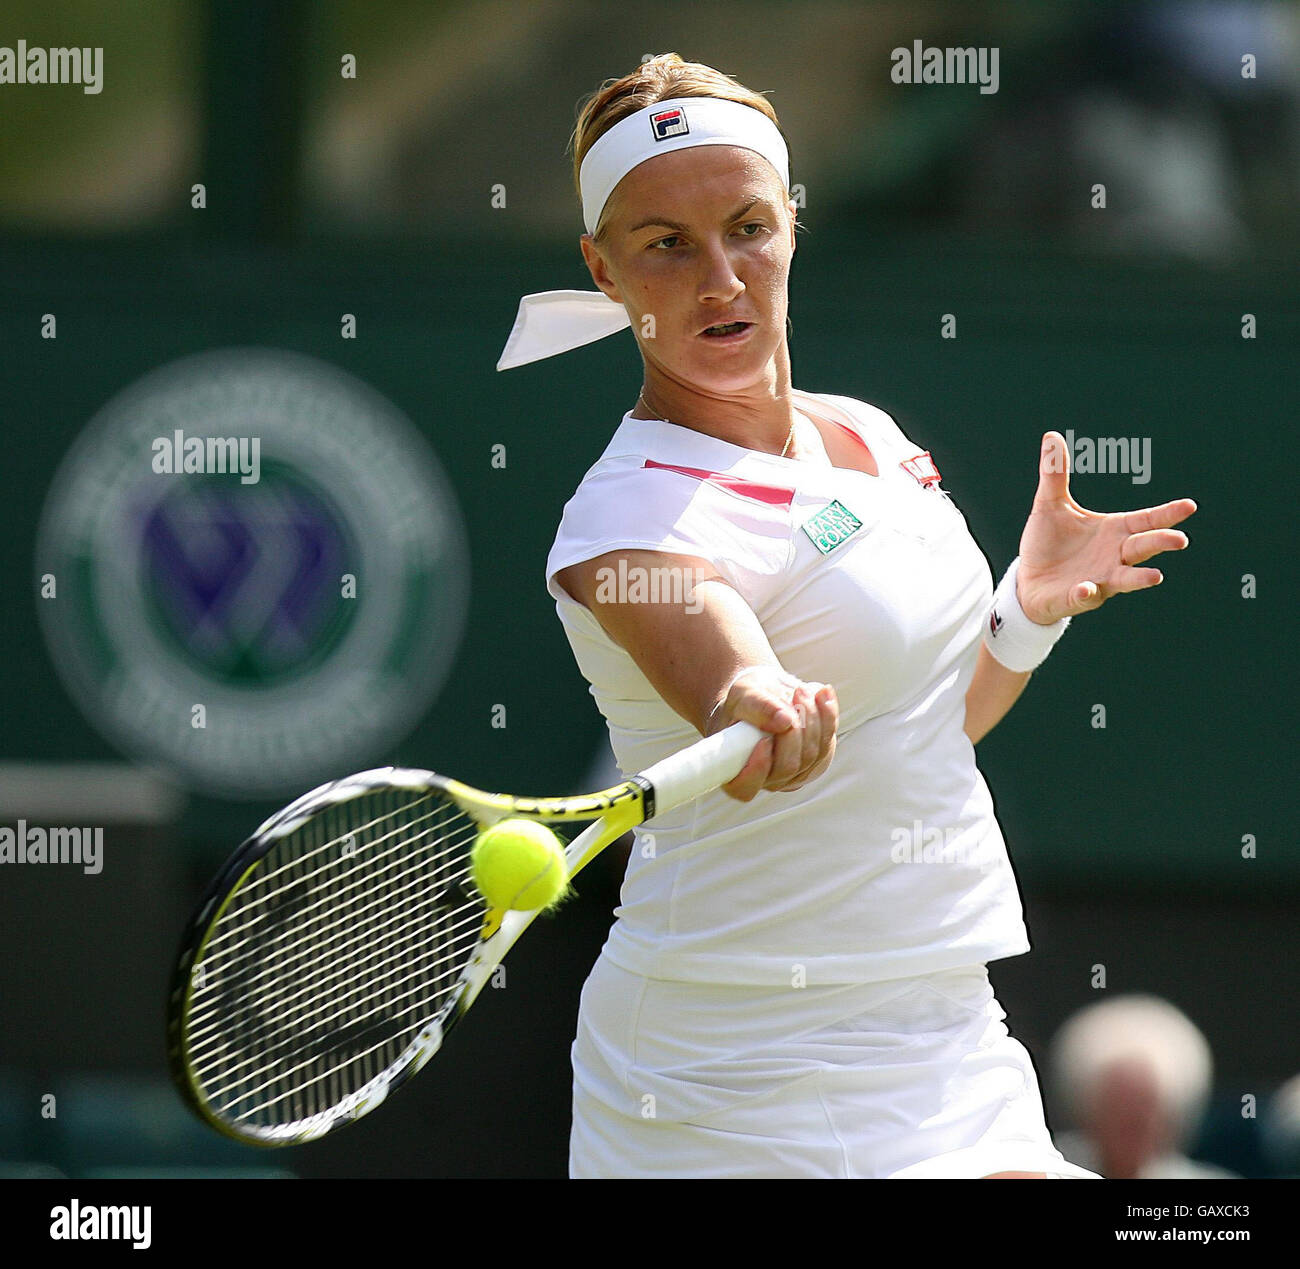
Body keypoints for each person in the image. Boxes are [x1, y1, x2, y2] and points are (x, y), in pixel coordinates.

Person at [498, 53, 1197, 1179]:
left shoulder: (864, 436)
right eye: (664, 244)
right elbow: (707, 637)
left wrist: (1024, 612)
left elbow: (925, 728)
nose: (720, 277)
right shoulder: (624, 521)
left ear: (790, 225)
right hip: (723, 1076)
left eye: (746, 227)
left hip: (942, 1029)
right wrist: (747, 692)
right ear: (601, 267)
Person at [1050, 995, 1238, 1178]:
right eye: (1117, 1107)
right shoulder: (1044, 1169)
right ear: (1087, 1109)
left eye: (1146, 1110)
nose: (1131, 1122)